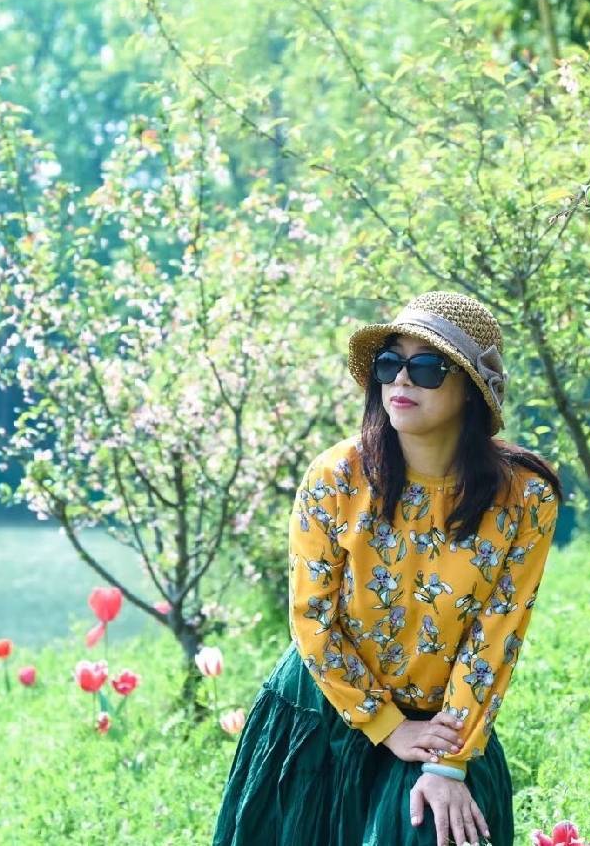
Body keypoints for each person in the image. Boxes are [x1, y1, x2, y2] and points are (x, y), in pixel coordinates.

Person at [212, 290, 563, 846]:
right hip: (323, 713)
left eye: (426, 367)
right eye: (389, 363)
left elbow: (495, 638)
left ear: (472, 389)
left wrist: (447, 765)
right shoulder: (336, 477)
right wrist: (388, 726)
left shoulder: (525, 498)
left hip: (443, 724)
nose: (400, 379)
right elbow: (312, 618)